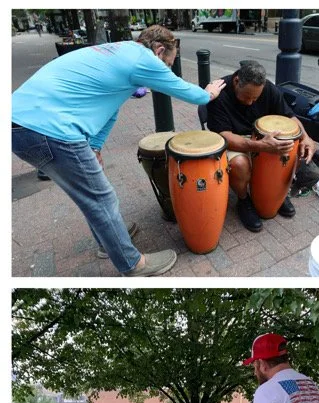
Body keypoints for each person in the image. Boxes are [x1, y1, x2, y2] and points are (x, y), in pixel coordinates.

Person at [11, 25, 227, 276]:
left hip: (23, 124)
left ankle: (108, 241)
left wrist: (94, 146)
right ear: (158, 50)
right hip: (49, 130)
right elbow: (192, 95)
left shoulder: (122, 51)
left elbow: (111, 108)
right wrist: (208, 93)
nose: (166, 69)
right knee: (101, 199)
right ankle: (132, 264)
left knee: (91, 196)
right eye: (168, 63)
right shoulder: (144, 60)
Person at [205, 60, 316, 233]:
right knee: (239, 165)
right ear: (236, 81)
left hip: (263, 137)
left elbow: (290, 117)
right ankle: (243, 200)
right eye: (247, 97)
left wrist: (306, 138)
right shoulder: (219, 93)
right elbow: (224, 136)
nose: (250, 102)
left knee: (290, 148)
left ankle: (277, 194)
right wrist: (260, 146)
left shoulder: (268, 88)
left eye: (255, 98)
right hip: (236, 139)